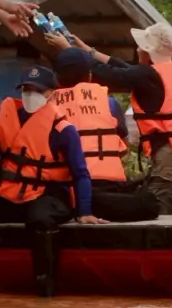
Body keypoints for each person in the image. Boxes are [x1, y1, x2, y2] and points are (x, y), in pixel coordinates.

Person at [0, 65, 105, 298]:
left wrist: (85, 211)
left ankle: (44, 288)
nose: (30, 95)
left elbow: (80, 173)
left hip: (48, 194)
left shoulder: (63, 129)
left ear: (51, 94)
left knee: (40, 219)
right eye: (26, 89)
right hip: (11, 195)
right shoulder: (7, 118)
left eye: (36, 90)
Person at [45, 23, 172, 215]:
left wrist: (69, 51)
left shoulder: (147, 74)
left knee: (163, 224)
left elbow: (109, 74)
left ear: (147, 50)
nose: (138, 48)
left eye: (141, 45)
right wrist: (89, 51)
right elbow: (126, 70)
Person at [52, 48, 160, 222]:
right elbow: (123, 147)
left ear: (56, 79)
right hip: (108, 185)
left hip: (67, 189)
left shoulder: (48, 107)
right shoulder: (108, 103)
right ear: (89, 76)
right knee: (149, 203)